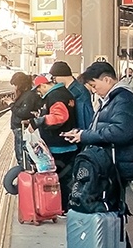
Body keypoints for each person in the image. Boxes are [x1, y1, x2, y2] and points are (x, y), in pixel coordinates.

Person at [64, 62, 133, 248]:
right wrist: (81, 134)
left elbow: (121, 132)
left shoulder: (124, 100)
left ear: (107, 79)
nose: (92, 89)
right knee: (111, 209)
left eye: (94, 84)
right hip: (110, 164)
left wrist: (86, 136)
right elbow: (103, 128)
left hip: (117, 166)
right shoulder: (111, 100)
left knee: (113, 210)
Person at [27, 73, 79, 206]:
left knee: (61, 179)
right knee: (65, 178)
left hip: (60, 146)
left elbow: (60, 116)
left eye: (39, 89)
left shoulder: (56, 96)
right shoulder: (63, 93)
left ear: (43, 85)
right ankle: (64, 206)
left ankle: (62, 207)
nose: (39, 92)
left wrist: (40, 120)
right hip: (65, 143)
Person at [9, 71, 42, 165]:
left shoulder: (29, 95)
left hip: (22, 129)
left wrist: (10, 104)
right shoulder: (25, 94)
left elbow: (23, 112)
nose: (14, 87)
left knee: (22, 155)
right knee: (20, 153)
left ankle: (25, 171)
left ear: (20, 85)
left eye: (15, 84)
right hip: (19, 128)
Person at [49, 60, 94, 131]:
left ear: (61, 76)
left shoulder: (78, 92)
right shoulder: (70, 89)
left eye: (54, 78)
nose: (54, 82)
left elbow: (83, 118)